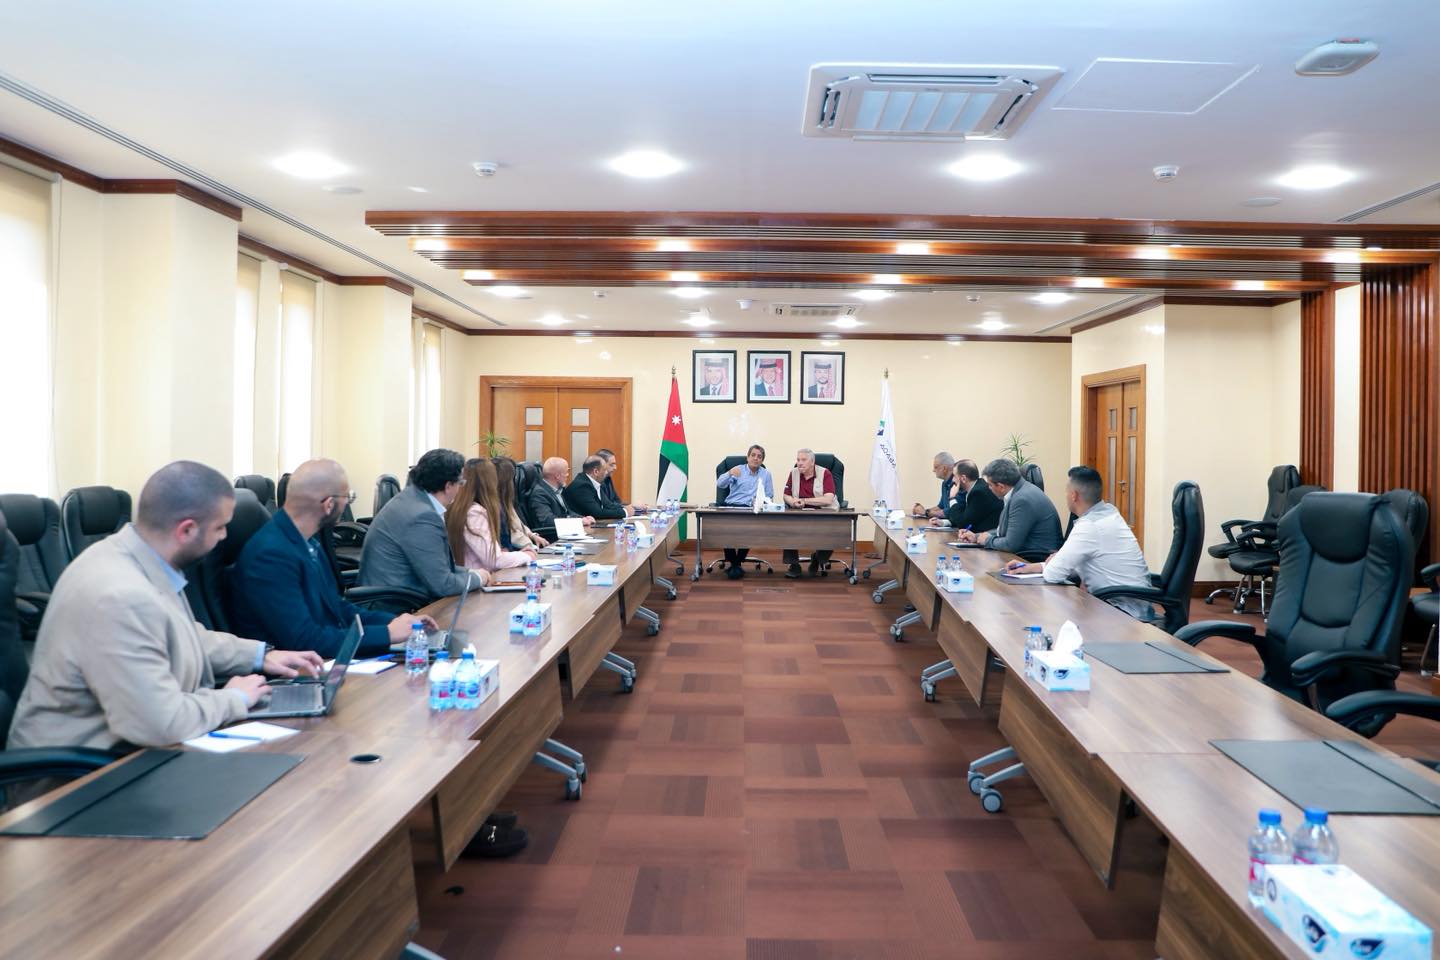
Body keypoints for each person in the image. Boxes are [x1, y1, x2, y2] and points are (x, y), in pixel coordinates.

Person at [7, 461, 322, 755]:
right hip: (77, 775)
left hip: (131, 750)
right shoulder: (119, 595)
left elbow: (182, 635)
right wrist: (234, 698)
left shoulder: (141, 559)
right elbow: (161, 724)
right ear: (186, 530)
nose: (225, 536)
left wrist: (260, 655)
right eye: (220, 527)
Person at [229, 459, 437, 659]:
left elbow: (337, 608)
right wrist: (387, 634)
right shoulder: (271, 555)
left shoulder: (306, 542)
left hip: (324, 657)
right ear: (329, 505)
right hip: (296, 672)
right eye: (348, 497)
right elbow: (303, 640)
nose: (347, 503)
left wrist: (395, 622)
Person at [1005, 466, 1154, 620]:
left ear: (1074, 495)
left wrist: (1054, 562)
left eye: (1066, 492)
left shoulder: (1089, 526)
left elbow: (1053, 575)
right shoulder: (1109, 513)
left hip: (1122, 612)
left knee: (1045, 614)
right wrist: (1031, 567)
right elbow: (1071, 564)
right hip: (1131, 604)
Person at [358, 448, 485, 599]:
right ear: (448, 486)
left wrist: (470, 572)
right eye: (460, 483)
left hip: (398, 591)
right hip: (396, 604)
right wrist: (479, 578)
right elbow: (443, 585)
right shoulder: (422, 517)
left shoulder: (411, 498)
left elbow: (435, 567)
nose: (460, 489)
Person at [957, 458, 1063, 561]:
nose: (988, 488)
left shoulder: (1022, 499)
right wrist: (976, 537)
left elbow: (1010, 544)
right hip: (1024, 553)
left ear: (1001, 487)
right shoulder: (1019, 491)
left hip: (1033, 558)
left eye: (990, 485)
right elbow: (1006, 531)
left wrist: (988, 541)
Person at [449, 459, 538, 574]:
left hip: (477, 576)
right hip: (480, 580)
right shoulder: (474, 513)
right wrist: (527, 555)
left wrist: (517, 554)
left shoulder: (460, 507)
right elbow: (494, 560)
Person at [715, 444, 773, 579]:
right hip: (732, 507)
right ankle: (736, 564)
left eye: (759, 457)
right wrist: (729, 473)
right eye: (753, 455)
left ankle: (735, 565)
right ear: (747, 457)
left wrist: (761, 502)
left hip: (752, 510)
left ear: (762, 460)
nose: (756, 458)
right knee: (725, 532)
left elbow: (769, 496)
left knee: (750, 531)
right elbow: (720, 484)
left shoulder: (766, 474)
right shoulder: (738, 470)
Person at [781, 448, 837, 578]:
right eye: (798, 460)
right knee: (787, 527)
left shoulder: (825, 473)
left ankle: (817, 559)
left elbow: (828, 499)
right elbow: (786, 495)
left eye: (803, 460)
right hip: (799, 513)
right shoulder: (794, 473)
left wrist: (805, 501)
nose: (799, 463)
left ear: (812, 462)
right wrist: (793, 502)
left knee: (835, 531)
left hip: (823, 512)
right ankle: (794, 565)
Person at [528, 458, 595, 541]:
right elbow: (547, 521)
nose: (567, 475)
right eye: (566, 472)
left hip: (565, 534)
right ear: (557, 476)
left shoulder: (557, 490)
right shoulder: (539, 493)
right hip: (552, 538)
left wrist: (583, 518)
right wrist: (577, 522)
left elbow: (567, 512)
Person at [934, 458, 1003, 534]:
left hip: (988, 538)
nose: (953, 480)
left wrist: (952, 498)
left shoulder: (978, 493)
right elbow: (965, 517)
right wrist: (944, 522)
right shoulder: (977, 487)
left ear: (963, 478)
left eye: (954, 476)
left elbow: (963, 524)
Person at [493, 457, 548, 551]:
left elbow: (518, 524)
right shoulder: (496, 503)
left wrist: (532, 535)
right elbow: (513, 535)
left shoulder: (506, 499)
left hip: (522, 548)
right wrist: (531, 547)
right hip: (515, 551)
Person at [565, 455, 629, 520]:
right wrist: (625, 512)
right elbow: (597, 513)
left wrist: (626, 508)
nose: (606, 472)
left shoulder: (596, 483)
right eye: (605, 470)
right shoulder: (581, 486)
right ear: (596, 472)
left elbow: (608, 505)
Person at [595, 448, 647, 514]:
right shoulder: (596, 481)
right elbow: (606, 505)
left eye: (615, 464)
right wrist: (631, 506)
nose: (615, 468)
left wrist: (632, 506)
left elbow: (617, 501)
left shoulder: (608, 478)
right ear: (602, 465)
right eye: (611, 465)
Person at [913, 452, 956, 518]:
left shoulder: (957, 484)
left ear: (944, 469)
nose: (933, 470)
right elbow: (940, 507)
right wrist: (923, 511)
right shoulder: (944, 483)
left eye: (936, 467)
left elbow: (951, 512)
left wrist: (925, 512)